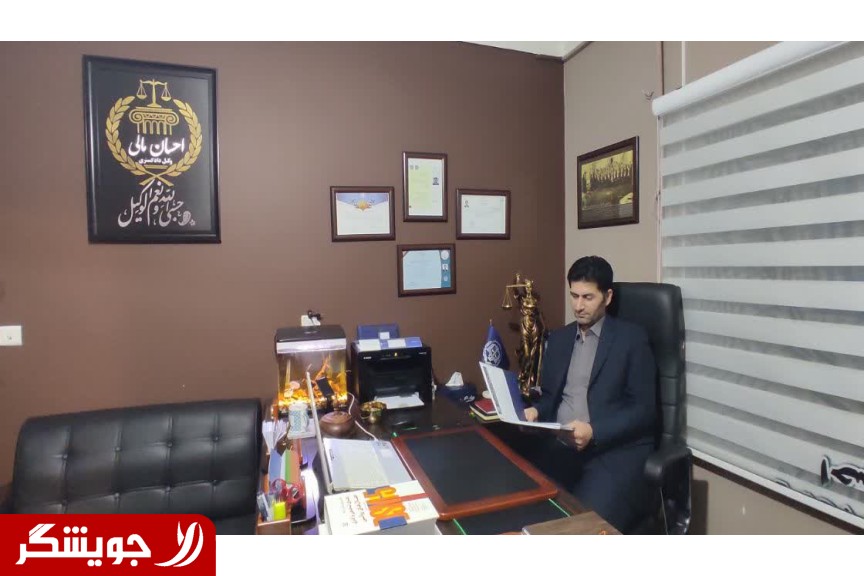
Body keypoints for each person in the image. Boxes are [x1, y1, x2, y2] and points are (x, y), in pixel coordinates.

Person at [524, 256, 656, 532]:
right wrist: (536, 411)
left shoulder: (632, 340)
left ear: (607, 297)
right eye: (574, 296)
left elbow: (643, 411)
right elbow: (550, 397)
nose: (578, 306)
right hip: (561, 448)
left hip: (611, 455)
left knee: (581, 529)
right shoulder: (559, 339)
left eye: (587, 297)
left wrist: (594, 431)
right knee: (527, 509)